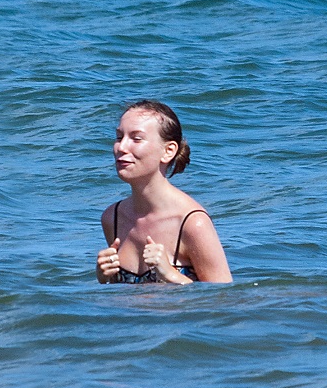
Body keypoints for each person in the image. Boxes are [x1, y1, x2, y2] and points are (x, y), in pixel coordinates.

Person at [96, 100, 232, 284]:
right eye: (119, 137)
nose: (121, 147)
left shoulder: (192, 223)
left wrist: (170, 274)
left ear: (168, 151)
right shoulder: (112, 218)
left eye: (136, 139)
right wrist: (105, 276)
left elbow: (224, 300)